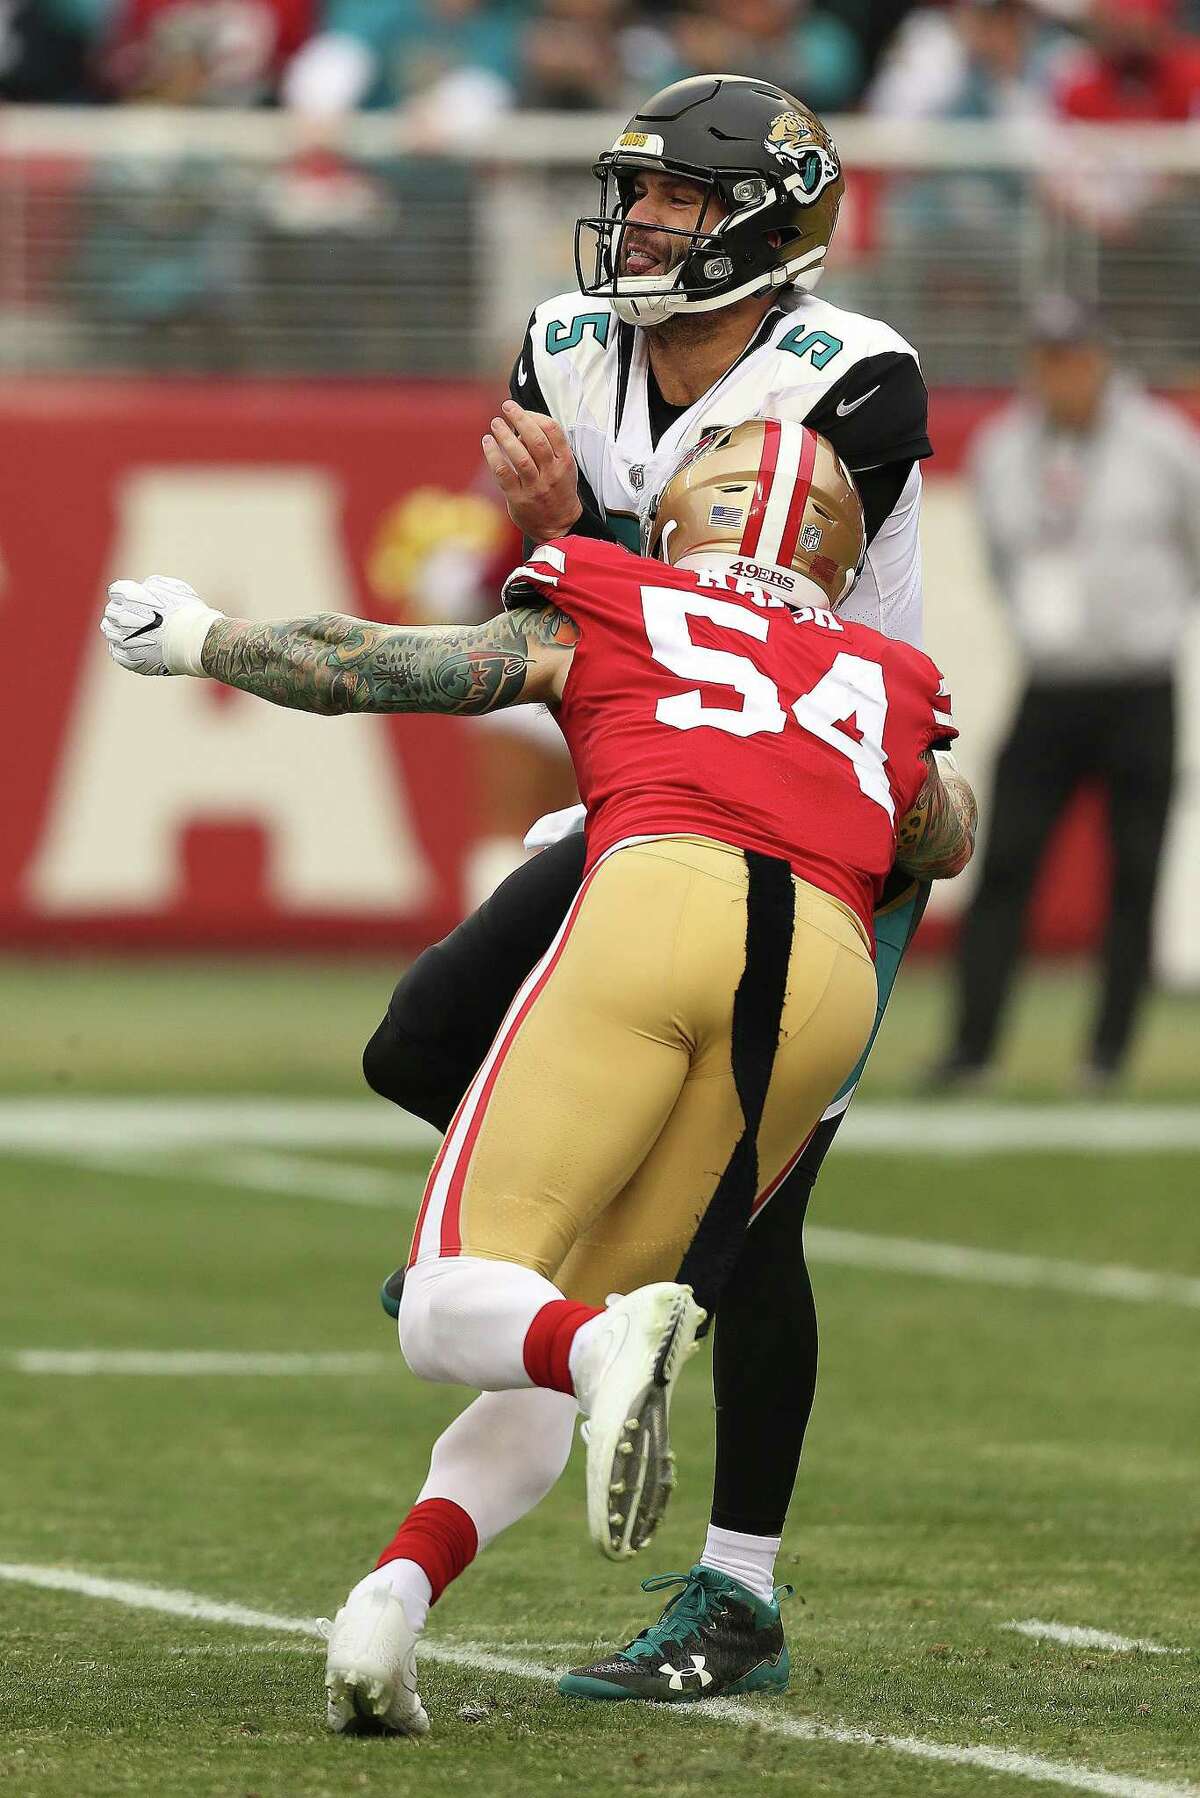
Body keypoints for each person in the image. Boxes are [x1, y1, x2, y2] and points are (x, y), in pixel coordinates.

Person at [101, 418, 977, 1734]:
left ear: (685, 509)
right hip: (827, 981)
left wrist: (200, 637)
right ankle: (388, 1605)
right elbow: (941, 827)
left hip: (663, 900)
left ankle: (594, 1343)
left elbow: (373, 665)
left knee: (457, 1297)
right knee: (542, 1324)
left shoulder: (619, 589)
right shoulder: (887, 668)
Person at [361, 72, 941, 1700]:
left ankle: (738, 1591)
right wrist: (566, 553)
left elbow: (742, 621)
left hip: (829, 817)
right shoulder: (565, 342)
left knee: (755, 1232)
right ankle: (552, 1270)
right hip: (660, 798)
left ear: (768, 222)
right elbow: (588, 633)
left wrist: (582, 543)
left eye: (682, 201)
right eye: (644, 196)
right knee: (420, 1039)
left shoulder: (851, 379)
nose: (648, 227)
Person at [936, 296, 1200, 1088]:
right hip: (1050, 688)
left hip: (1139, 687)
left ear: (1102, 359)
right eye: (1046, 359)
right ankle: (972, 1050)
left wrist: (1146, 621)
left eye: (1074, 358)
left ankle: (1107, 1056)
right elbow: (999, 558)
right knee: (1005, 863)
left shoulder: (1163, 443)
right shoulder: (1002, 448)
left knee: (1136, 873)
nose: (1061, 376)